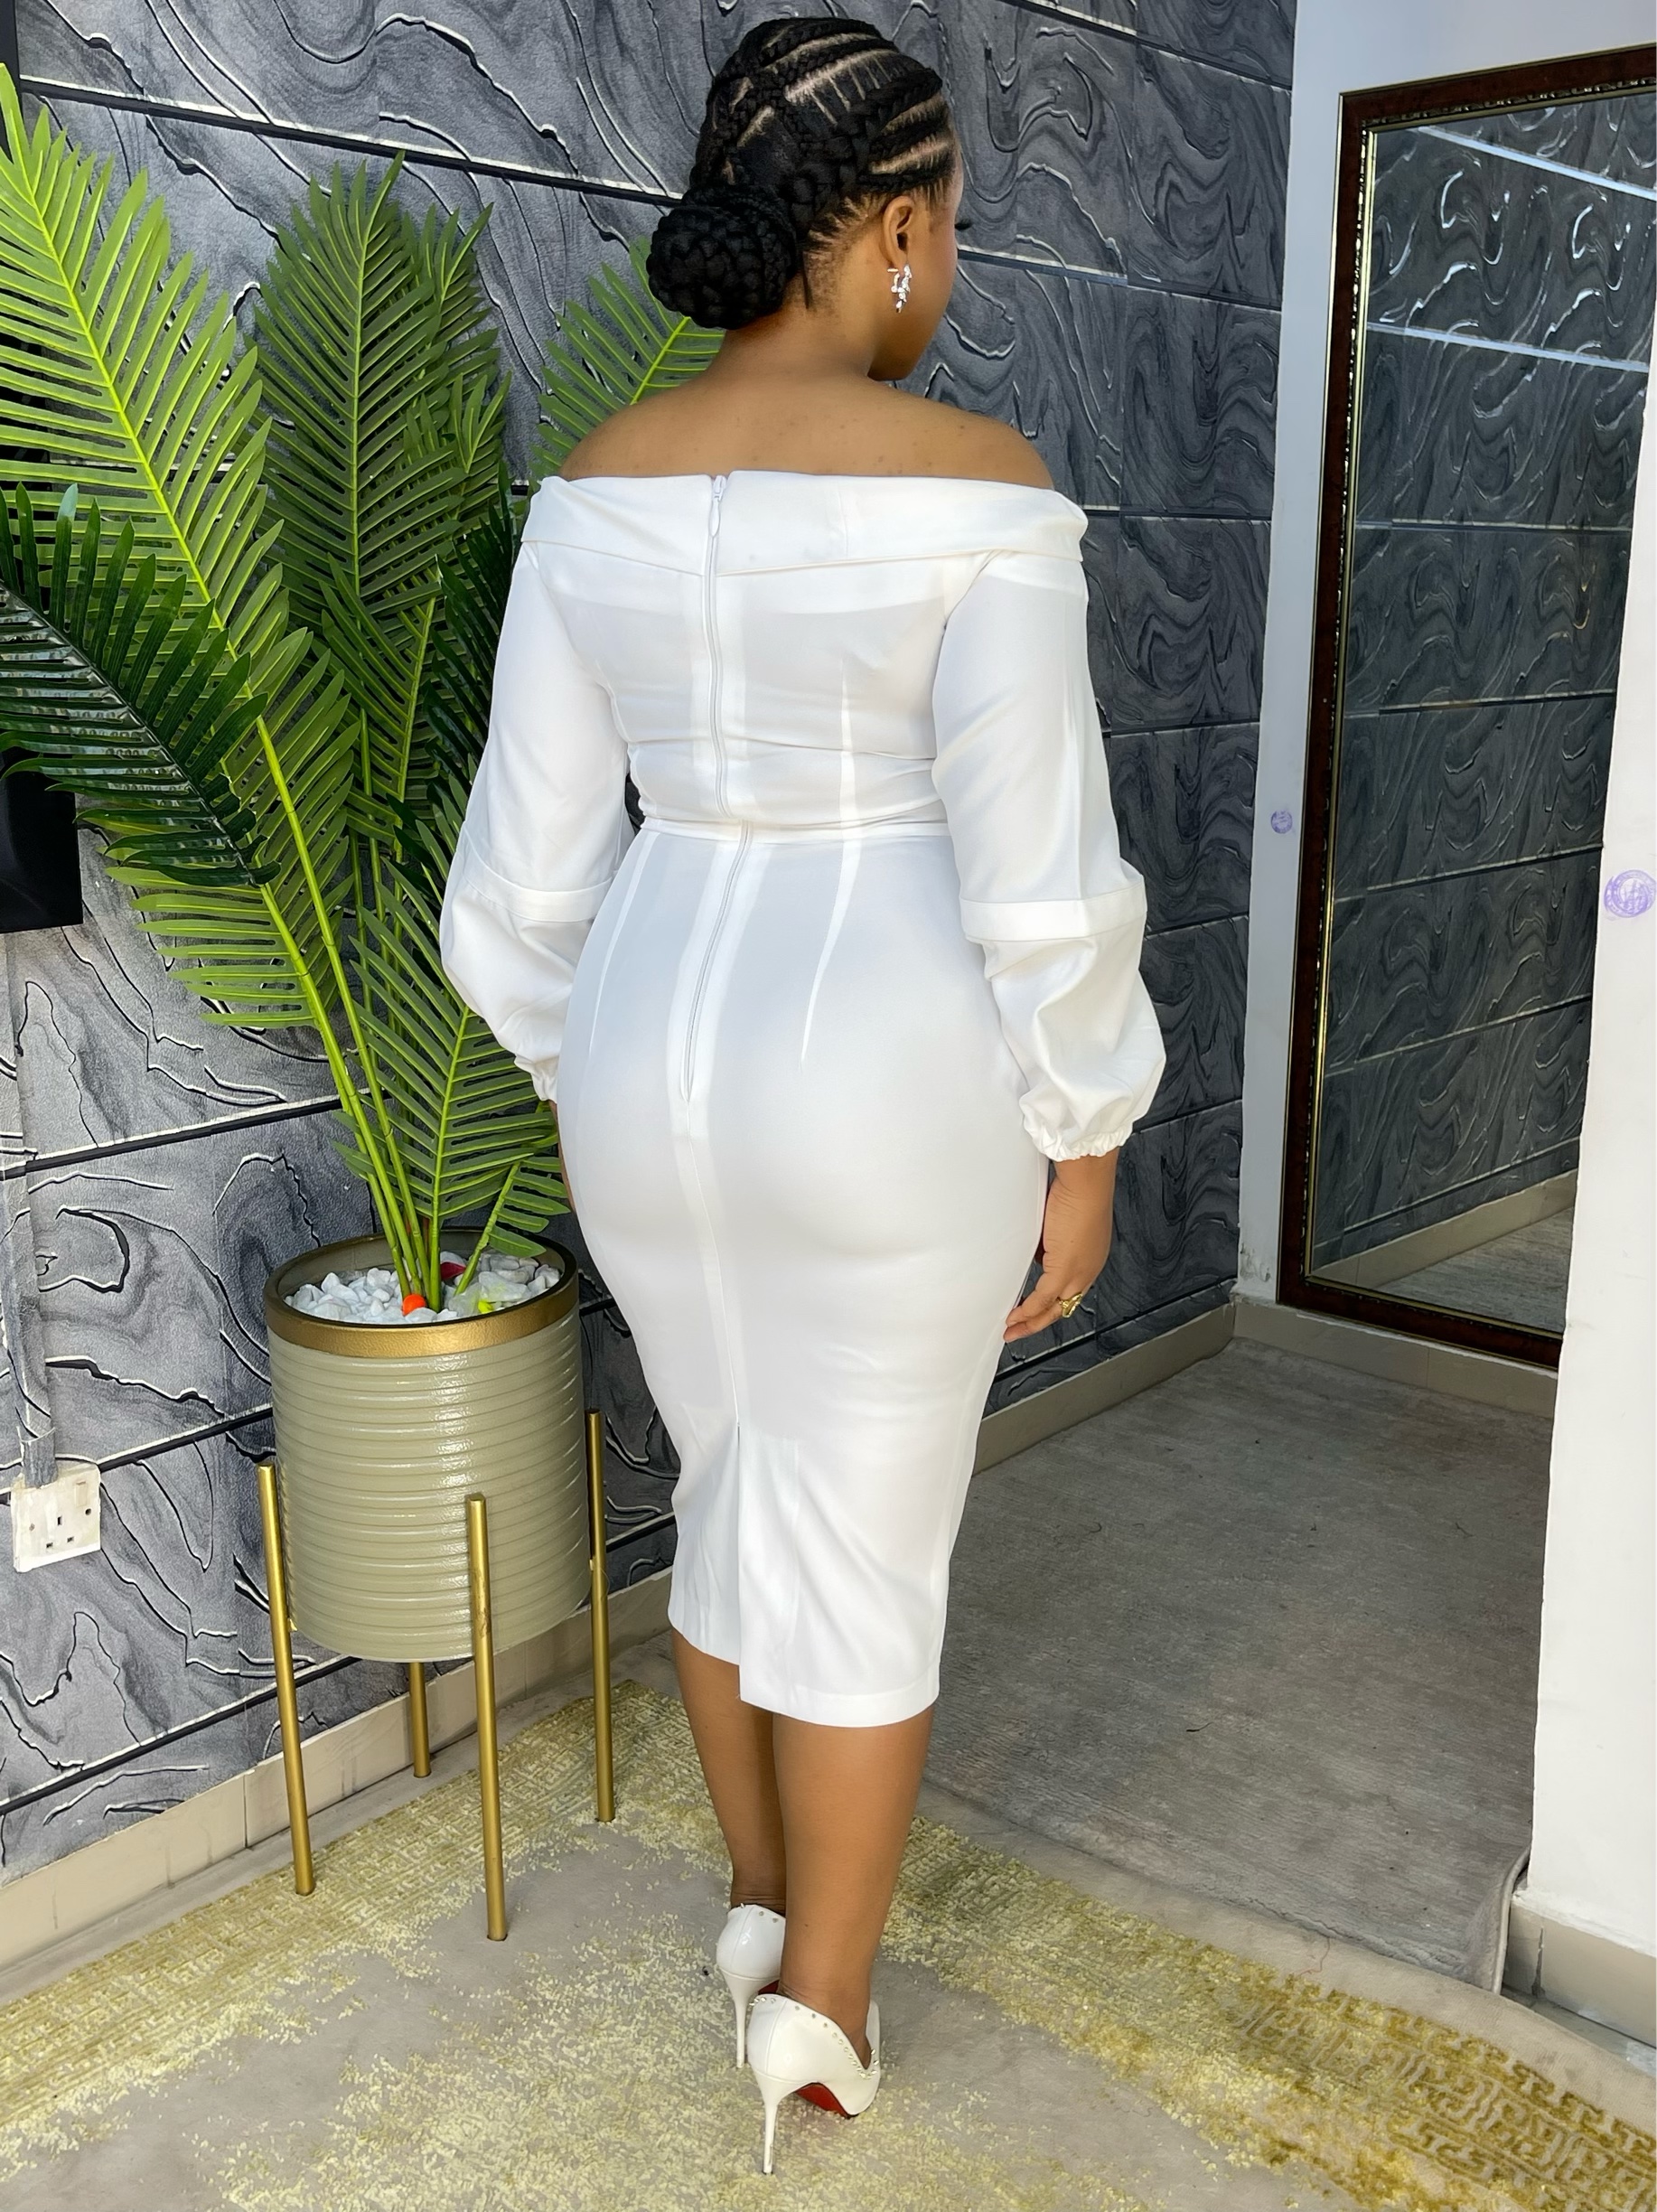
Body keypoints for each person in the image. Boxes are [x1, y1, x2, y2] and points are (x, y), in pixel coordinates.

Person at [440, 15, 1165, 2175]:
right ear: (896, 228)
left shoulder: (596, 484)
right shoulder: (978, 487)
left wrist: (606, 1074)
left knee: (731, 1481)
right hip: (885, 1069)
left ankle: (758, 1905)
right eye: (950, 226)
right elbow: (1038, 878)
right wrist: (1082, 1130)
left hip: (645, 1048)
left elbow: (516, 890)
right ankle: (820, 2016)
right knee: (861, 1540)